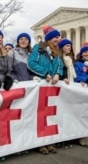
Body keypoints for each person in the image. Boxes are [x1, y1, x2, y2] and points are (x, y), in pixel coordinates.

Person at [27, 25, 63, 154]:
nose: (58, 39)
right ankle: (40, 143)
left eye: (58, 37)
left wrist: (58, 73)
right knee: (39, 114)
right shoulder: (38, 48)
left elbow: (60, 65)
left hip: (52, 87)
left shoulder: (56, 52)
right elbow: (31, 63)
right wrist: (45, 73)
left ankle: (49, 141)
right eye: (55, 37)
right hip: (41, 84)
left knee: (50, 114)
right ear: (49, 38)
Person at [56, 38, 75, 149]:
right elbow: (57, 71)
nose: (69, 47)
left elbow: (74, 74)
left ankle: (67, 137)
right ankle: (60, 138)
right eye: (67, 45)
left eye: (70, 46)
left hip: (71, 88)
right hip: (62, 88)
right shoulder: (59, 59)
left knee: (68, 114)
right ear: (62, 47)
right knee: (61, 114)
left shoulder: (71, 60)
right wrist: (63, 78)